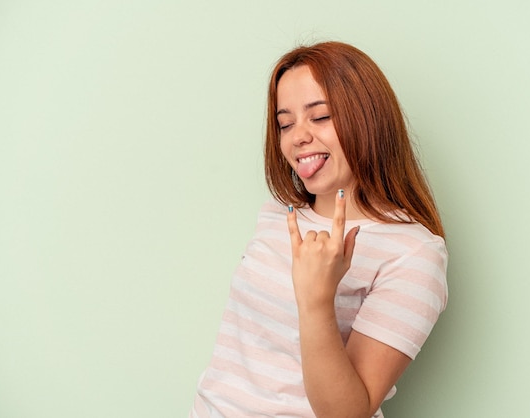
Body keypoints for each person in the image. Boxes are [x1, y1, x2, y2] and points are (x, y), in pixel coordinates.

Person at [190, 41, 448, 418]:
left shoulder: (413, 253)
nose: (298, 137)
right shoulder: (279, 215)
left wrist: (316, 300)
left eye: (321, 116)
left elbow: (346, 413)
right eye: (285, 123)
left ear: (368, 118)